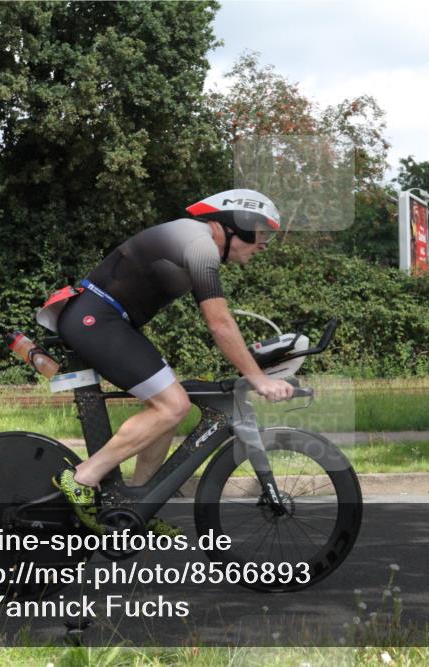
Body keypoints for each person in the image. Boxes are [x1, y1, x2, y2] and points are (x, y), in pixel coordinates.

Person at [52, 189, 296, 536]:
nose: (264, 245)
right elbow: (219, 322)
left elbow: (220, 322)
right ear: (237, 226)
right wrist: (257, 378)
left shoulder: (194, 239)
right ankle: (81, 478)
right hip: (97, 319)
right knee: (173, 405)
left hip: (106, 319)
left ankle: (133, 506)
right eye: (262, 233)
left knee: (168, 406)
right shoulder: (200, 245)